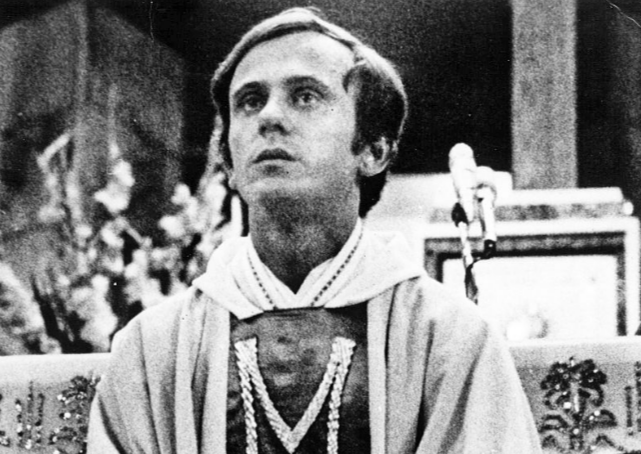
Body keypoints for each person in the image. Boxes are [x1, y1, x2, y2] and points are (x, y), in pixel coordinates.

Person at [87, 7, 542, 453]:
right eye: (250, 101)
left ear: (373, 150)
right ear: (228, 160)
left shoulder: (448, 338)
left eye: (305, 96)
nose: (269, 117)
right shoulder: (154, 349)